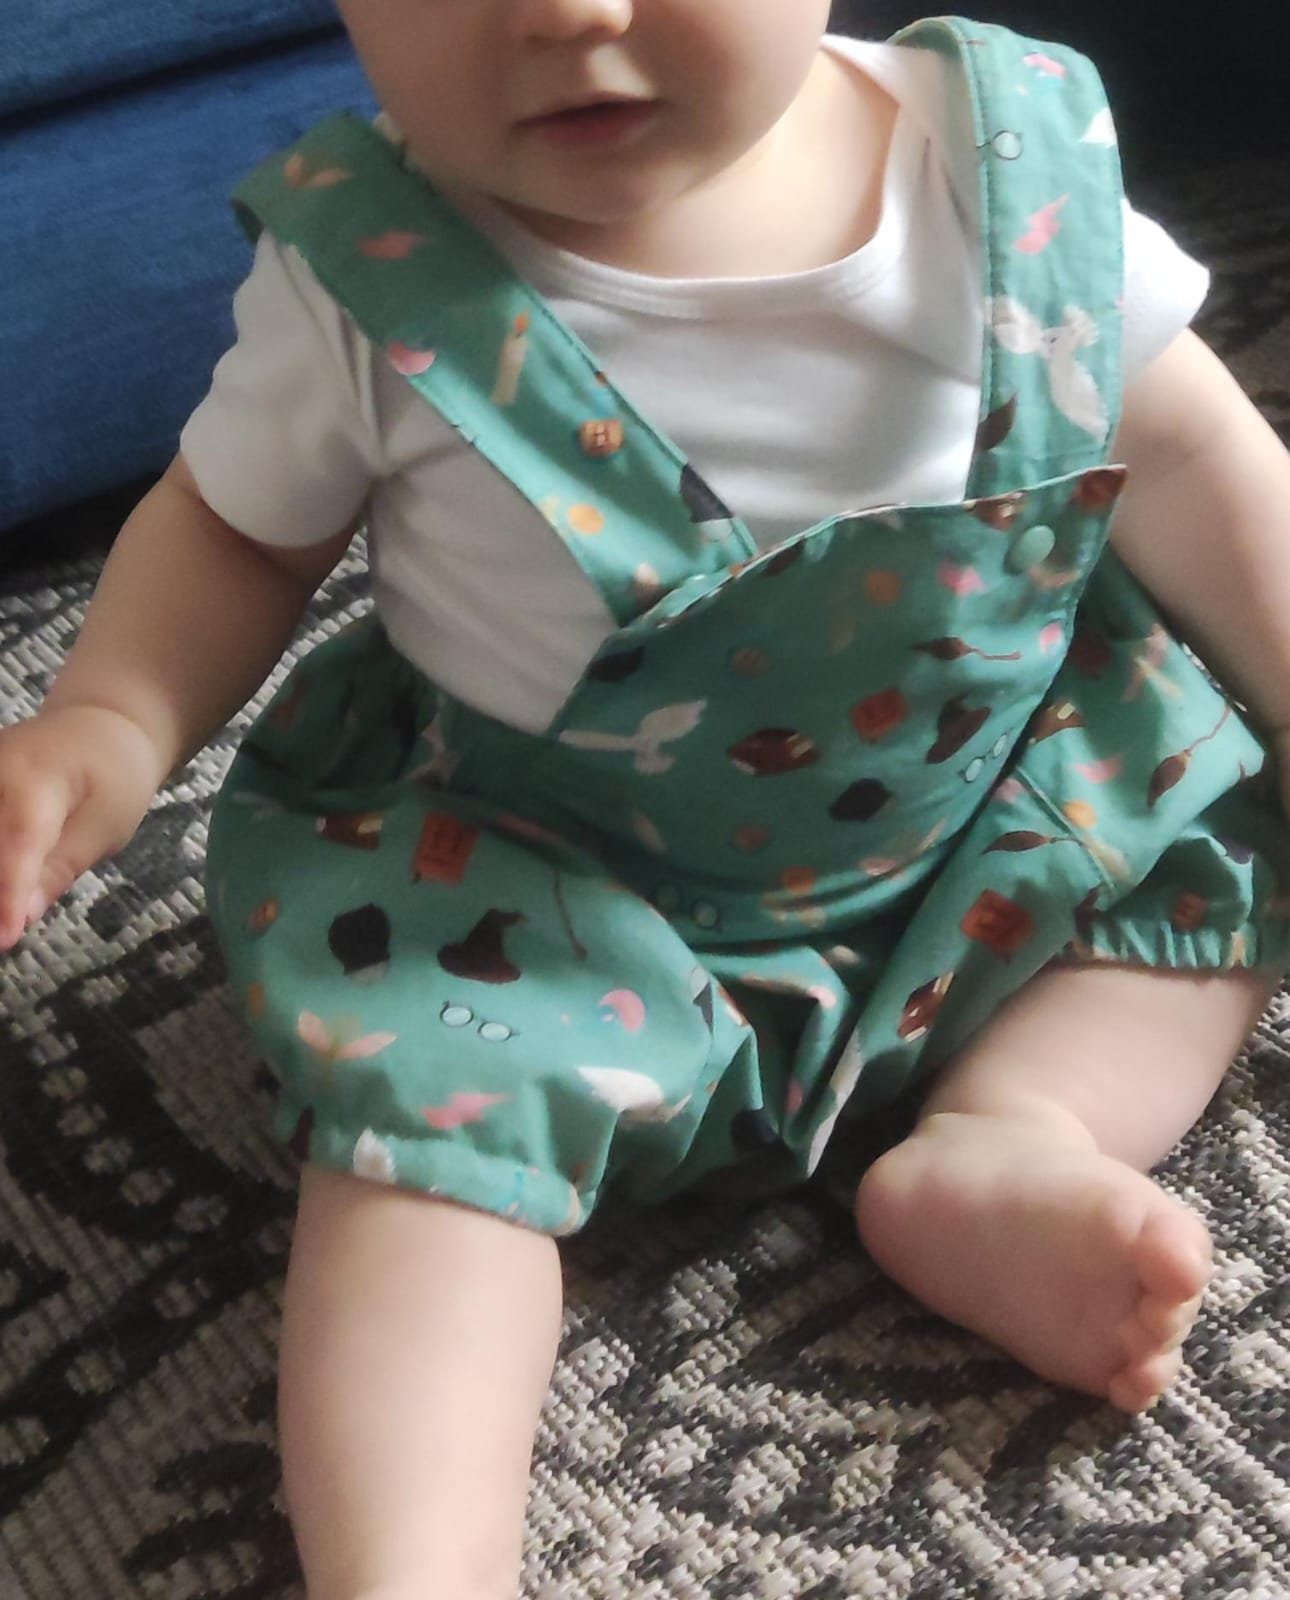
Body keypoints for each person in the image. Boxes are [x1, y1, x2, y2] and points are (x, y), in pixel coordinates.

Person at [3, 2, 1290, 1595]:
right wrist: (112, 717)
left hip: (983, 812)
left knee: (1204, 850)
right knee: (419, 1145)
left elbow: (1191, 459)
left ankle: (1015, 1132)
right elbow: (234, 531)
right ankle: (412, 1565)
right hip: (549, 897)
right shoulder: (375, 274)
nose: (567, 12)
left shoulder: (1001, 174)